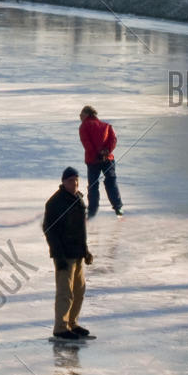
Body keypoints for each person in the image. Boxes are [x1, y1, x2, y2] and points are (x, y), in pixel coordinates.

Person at [42, 167, 96, 340]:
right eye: (71, 180)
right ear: (64, 182)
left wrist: (85, 251)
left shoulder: (78, 199)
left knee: (79, 291)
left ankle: (72, 323)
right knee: (65, 292)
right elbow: (49, 230)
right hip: (64, 255)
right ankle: (60, 327)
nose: (75, 183)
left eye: (77, 180)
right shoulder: (55, 202)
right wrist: (59, 257)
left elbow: (80, 230)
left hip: (77, 253)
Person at [78, 105, 123, 218]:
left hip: (93, 160)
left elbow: (86, 143)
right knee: (111, 182)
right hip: (108, 159)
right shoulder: (106, 125)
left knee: (93, 185)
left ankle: (92, 211)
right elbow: (113, 140)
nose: (80, 116)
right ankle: (118, 207)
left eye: (81, 114)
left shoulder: (84, 126)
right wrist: (106, 152)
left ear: (87, 114)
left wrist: (96, 154)